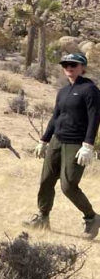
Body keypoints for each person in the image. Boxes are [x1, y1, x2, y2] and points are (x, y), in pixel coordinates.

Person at [23, 52, 100, 240]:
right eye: (65, 65)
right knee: (46, 181)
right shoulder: (63, 91)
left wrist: (88, 145)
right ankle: (43, 217)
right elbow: (55, 117)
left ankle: (92, 218)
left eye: (73, 64)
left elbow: (94, 118)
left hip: (76, 143)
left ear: (83, 67)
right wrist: (44, 140)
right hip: (57, 140)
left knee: (68, 185)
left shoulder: (89, 90)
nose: (69, 68)